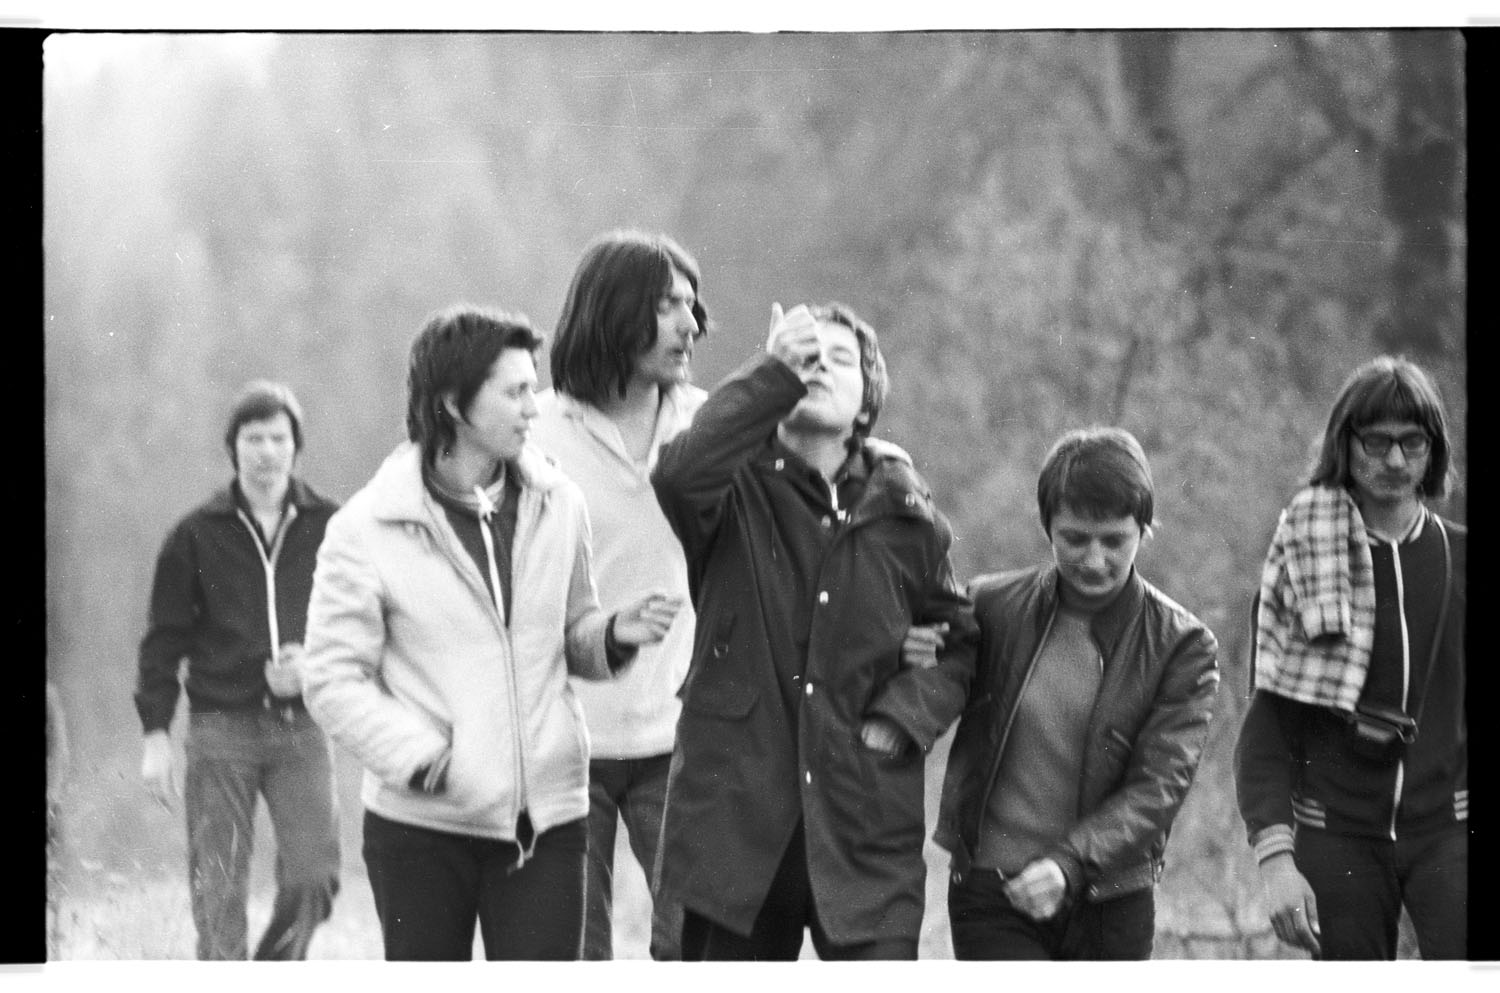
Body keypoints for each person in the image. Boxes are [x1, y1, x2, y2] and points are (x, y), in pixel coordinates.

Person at [301, 306, 682, 961]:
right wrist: (422, 758)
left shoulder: (560, 502)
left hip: (549, 823)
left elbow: (573, 633)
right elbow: (331, 678)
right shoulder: (365, 529)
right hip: (420, 828)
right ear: (453, 404)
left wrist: (612, 635)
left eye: (533, 387)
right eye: (514, 392)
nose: (535, 406)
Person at [651, 301, 978, 961]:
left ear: (867, 401)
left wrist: (901, 716)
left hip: (864, 829)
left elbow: (958, 643)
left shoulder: (908, 511)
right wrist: (772, 372)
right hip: (732, 832)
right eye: (804, 357)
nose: (818, 368)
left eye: (838, 359)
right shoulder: (729, 488)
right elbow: (678, 472)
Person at [934, 426, 1220, 960]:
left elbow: (1160, 785)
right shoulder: (990, 606)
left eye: (1114, 541)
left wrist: (1068, 864)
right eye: (1074, 538)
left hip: (1111, 900)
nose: (1093, 560)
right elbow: (929, 687)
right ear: (1047, 527)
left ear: (1144, 531)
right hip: (993, 892)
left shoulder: (1181, 645)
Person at [1234, 355, 1465, 960]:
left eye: (1413, 442)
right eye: (1377, 442)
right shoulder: (1301, 562)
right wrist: (1276, 861)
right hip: (1335, 832)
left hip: (1451, 829)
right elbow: (1266, 730)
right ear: (1345, 443)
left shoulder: (1458, 558)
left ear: (1434, 450)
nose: (1395, 461)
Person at [530, 230, 708, 960]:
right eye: (667, 306)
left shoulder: (707, 424)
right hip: (564, 744)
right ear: (612, 312)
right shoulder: (535, 430)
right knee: (573, 954)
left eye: (692, 306)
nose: (689, 325)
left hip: (682, 738)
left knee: (697, 947)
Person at [133, 380, 341, 960]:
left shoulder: (332, 524)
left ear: (296, 446)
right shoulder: (196, 533)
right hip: (220, 729)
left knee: (314, 879)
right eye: (254, 439)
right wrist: (155, 736)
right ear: (233, 447)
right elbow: (163, 641)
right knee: (219, 889)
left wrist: (314, 666)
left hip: (303, 727)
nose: (267, 452)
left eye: (279, 438)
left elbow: (364, 623)